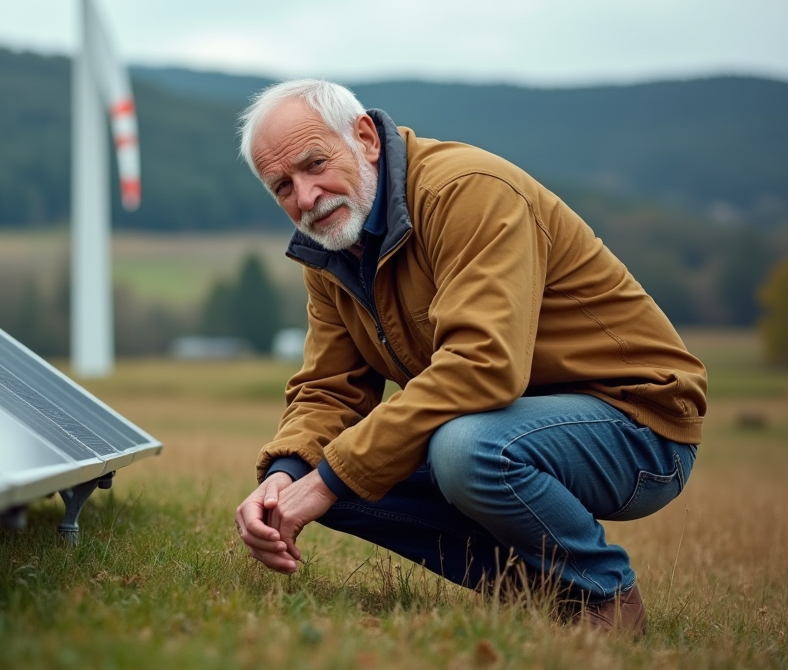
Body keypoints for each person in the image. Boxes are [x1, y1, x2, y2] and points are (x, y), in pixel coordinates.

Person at [232, 79, 706, 633]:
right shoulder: (333, 247)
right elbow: (328, 387)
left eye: (315, 164)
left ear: (365, 138)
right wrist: (289, 475)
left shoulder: (467, 191)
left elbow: (483, 365)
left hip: (638, 426)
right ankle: (550, 596)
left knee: (462, 450)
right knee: (326, 479)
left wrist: (328, 476)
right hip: (509, 426)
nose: (306, 197)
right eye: (282, 186)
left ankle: (603, 593)